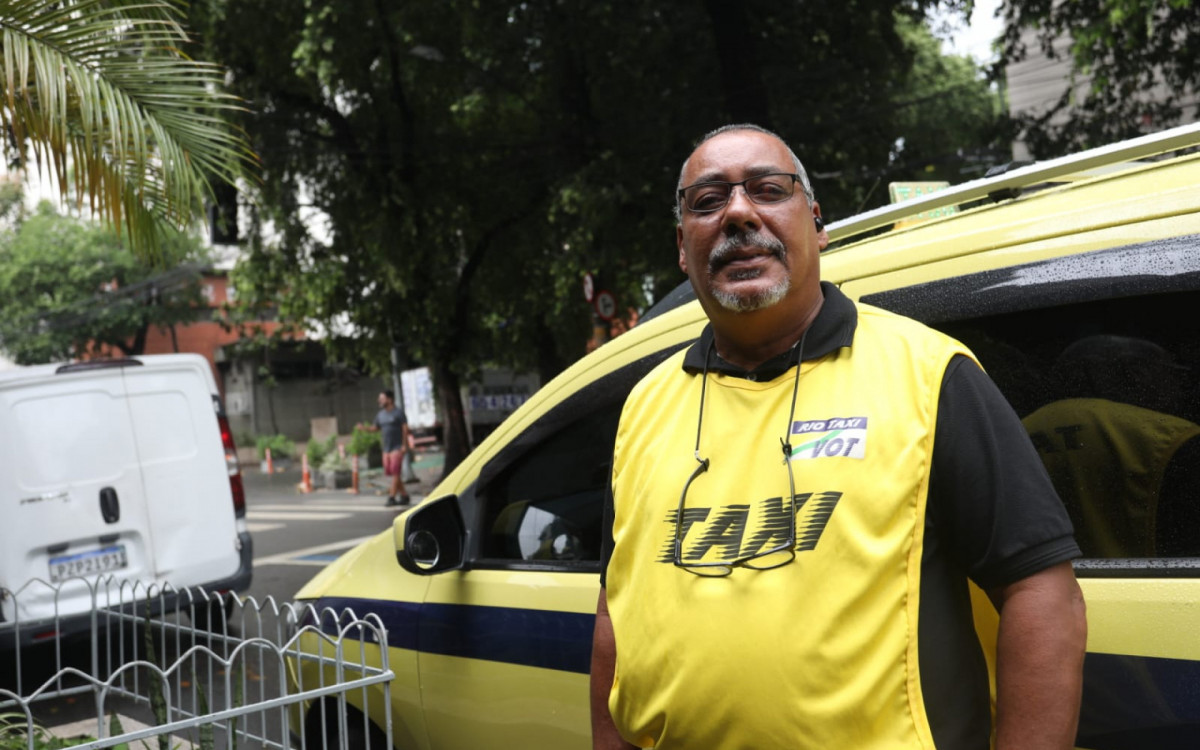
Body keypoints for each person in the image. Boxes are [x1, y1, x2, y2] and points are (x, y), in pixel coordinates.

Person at [590, 124, 1088, 749]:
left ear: (817, 223)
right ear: (682, 249)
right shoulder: (645, 406)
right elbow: (616, 610)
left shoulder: (931, 375)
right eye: (708, 201)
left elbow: (1042, 591)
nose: (739, 214)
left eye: (768, 190)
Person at [1022, 335, 1200, 557]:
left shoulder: (1014, 431)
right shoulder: (1174, 436)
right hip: (1154, 586)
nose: (1178, 386)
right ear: (1137, 374)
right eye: (1171, 373)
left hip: (1037, 583)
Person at [359, 390, 411, 507]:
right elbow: (375, 428)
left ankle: (391, 497)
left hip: (397, 447)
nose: (379, 401)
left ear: (389, 399)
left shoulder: (398, 413)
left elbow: (405, 429)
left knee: (395, 472)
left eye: (382, 398)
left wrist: (404, 445)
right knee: (391, 472)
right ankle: (404, 495)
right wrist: (364, 428)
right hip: (386, 448)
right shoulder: (380, 415)